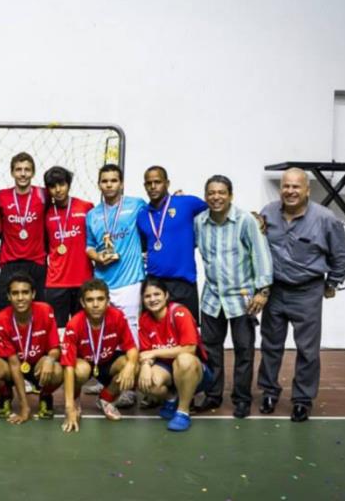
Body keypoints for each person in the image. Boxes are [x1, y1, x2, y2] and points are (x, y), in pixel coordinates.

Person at [257, 168, 345, 422]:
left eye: (296, 187)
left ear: (307, 190)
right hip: (275, 291)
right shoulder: (268, 213)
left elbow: (342, 256)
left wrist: (332, 282)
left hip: (307, 291)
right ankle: (269, 392)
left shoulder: (325, 218)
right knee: (270, 346)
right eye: (286, 186)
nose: (290, 191)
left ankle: (302, 400)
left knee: (308, 350)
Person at [193, 175, 273, 418]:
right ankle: (213, 395)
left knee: (244, 351)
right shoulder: (199, 222)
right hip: (212, 299)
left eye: (221, 192)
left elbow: (261, 255)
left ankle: (241, 398)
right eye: (211, 193)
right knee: (211, 351)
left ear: (230, 195)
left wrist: (263, 291)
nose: (216, 197)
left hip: (242, 299)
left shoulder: (246, 221)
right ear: (206, 196)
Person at [0, 273, 62, 424]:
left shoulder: (45, 310)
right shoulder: (1, 319)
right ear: (9, 296)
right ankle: (6, 395)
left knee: (57, 370)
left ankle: (45, 396)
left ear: (33, 294)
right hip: (12, 367)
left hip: (38, 365)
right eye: (15, 293)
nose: (20, 298)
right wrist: (25, 407)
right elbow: (14, 363)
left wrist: (50, 359)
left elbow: (55, 348)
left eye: (25, 292)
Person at [60, 279, 138, 432]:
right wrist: (69, 407)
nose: (95, 305)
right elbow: (68, 366)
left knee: (133, 364)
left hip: (107, 362)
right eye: (90, 300)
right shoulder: (75, 324)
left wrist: (130, 365)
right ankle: (76, 399)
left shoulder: (117, 316)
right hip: (85, 364)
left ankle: (106, 399)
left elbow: (132, 349)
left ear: (108, 301)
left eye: (100, 299)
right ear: (83, 303)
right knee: (79, 370)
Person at [137, 278, 213, 432]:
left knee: (184, 359)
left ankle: (183, 411)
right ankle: (171, 398)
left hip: (195, 371)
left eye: (157, 294)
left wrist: (154, 352)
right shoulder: (144, 320)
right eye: (147, 296)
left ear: (166, 295)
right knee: (143, 379)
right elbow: (145, 353)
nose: (153, 299)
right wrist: (145, 366)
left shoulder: (179, 312)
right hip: (167, 369)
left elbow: (189, 349)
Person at [136, 166, 207, 320]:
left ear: (167, 183)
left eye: (157, 182)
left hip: (184, 282)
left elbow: (217, 210)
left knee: (188, 335)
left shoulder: (187, 203)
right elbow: (144, 246)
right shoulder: (142, 215)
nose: (153, 186)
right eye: (149, 183)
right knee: (156, 336)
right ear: (145, 186)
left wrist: (256, 217)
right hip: (155, 285)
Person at [85, 164, 147, 337]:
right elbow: (89, 245)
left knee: (131, 329)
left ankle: (132, 364)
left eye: (114, 180)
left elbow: (157, 215)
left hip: (130, 281)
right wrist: (97, 257)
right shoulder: (92, 215)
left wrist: (176, 200)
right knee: (105, 331)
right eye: (104, 181)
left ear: (121, 184)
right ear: (99, 185)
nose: (109, 185)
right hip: (103, 282)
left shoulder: (136, 205)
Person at [0, 152, 48, 311]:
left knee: (39, 311)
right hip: (10, 262)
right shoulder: (2, 196)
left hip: (36, 262)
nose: (23, 174)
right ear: (12, 172)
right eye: (18, 169)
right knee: (4, 310)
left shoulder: (43, 194)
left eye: (27, 169)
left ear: (33, 172)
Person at [43, 166, 94, 328]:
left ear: (69, 184)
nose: (58, 190)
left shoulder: (86, 207)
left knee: (83, 329)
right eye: (52, 186)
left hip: (83, 280)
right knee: (58, 330)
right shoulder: (46, 213)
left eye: (62, 184)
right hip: (56, 282)